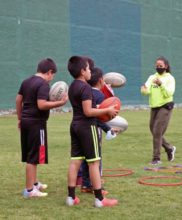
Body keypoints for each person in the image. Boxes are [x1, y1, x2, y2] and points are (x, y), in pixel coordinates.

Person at [65, 56, 118, 208]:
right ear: (82, 71)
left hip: (74, 125)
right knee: (94, 163)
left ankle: (71, 198)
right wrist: (107, 109)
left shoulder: (73, 86)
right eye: (88, 69)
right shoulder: (86, 88)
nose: (90, 71)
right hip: (87, 127)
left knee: (75, 162)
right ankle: (100, 200)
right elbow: (88, 112)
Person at [16, 58, 68, 198]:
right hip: (36, 123)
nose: (52, 79)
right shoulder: (44, 84)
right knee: (32, 158)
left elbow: (18, 100)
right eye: (53, 75)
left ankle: (34, 183)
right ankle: (29, 191)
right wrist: (60, 103)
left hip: (26, 121)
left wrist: (20, 118)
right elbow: (41, 104)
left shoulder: (26, 81)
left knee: (33, 155)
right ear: (50, 72)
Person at [80, 67, 119, 194]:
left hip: (82, 128)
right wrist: (108, 129)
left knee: (86, 159)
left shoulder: (85, 92)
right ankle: (97, 184)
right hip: (94, 130)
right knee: (96, 159)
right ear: (101, 80)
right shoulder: (100, 96)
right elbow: (99, 117)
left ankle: (86, 184)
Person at [141, 56, 176, 165]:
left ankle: (156, 158)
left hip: (165, 106)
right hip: (154, 107)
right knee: (153, 130)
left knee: (157, 131)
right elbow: (146, 91)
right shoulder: (152, 77)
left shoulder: (170, 78)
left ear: (166, 66)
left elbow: (169, 93)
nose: (158, 67)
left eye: (160, 66)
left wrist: (161, 85)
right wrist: (144, 89)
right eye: (157, 66)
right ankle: (169, 148)